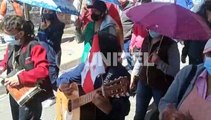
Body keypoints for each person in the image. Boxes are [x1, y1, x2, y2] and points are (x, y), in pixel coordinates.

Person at [57, 32, 130, 120]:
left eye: (94, 50)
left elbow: (125, 109)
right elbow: (64, 77)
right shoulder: (87, 67)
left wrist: (109, 109)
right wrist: (62, 84)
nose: (90, 52)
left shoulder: (119, 74)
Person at [0, 15, 53, 120]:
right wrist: (2, 67)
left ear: (20, 34)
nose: (5, 37)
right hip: (15, 93)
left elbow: (43, 70)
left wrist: (20, 78)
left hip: (30, 96)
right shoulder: (11, 45)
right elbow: (6, 61)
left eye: (8, 34)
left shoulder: (34, 46)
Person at [132, 30, 180, 120]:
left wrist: (159, 62)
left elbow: (175, 71)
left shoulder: (171, 45)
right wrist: (134, 73)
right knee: (139, 114)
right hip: (143, 83)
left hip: (160, 86)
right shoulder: (146, 39)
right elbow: (141, 61)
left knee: (161, 114)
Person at [159, 38, 211, 120]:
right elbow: (165, 102)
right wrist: (168, 113)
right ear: (203, 56)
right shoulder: (188, 73)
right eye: (210, 54)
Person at [181, 0, 211, 65]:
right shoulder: (196, 17)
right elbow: (188, 35)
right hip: (195, 55)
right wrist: (184, 52)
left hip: (208, 57)